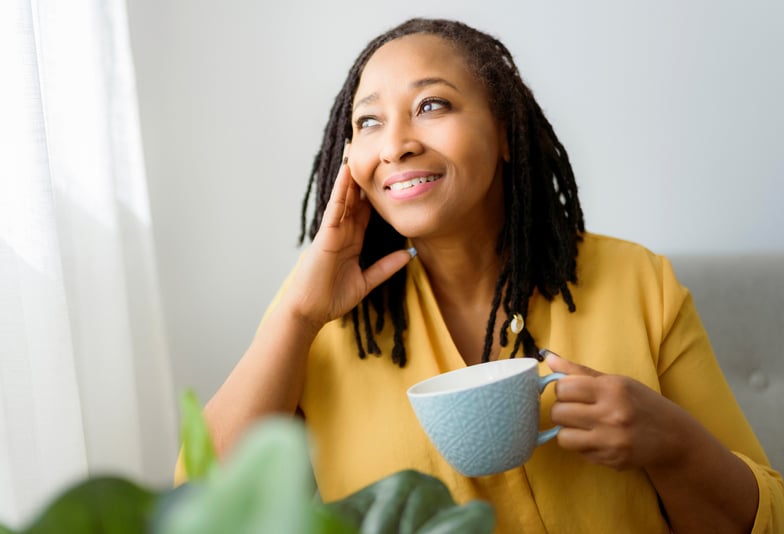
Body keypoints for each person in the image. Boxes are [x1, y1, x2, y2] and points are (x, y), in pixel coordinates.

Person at [192, 18, 784, 533]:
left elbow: (760, 520)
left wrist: (672, 444)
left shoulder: (638, 281)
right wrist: (296, 315)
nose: (395, 144)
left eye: (432, 105)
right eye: (368, 122)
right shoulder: (317, 316)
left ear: (504, 132)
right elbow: (204, 503)